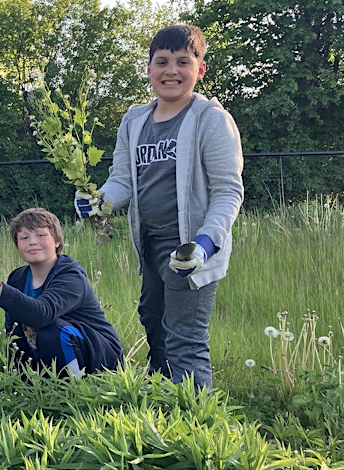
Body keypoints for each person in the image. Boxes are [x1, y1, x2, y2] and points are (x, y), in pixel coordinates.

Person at [74, 24, 244, 390]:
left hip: (189, 249)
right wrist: (99, 202)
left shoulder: (211, 120)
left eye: (183, 61)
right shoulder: (135, 120)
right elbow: (122, 180)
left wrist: (205, 244)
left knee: (185, 339)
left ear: (199, 70)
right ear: (149, 69)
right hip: (150, 248)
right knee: (154, 325)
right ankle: (161, 408)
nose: (171, 70)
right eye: (162, 61)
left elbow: (228, 192)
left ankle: (199, 427)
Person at [0, 208, 123, 377]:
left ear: (57, 241)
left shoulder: (71, 276)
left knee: (50, 330)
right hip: (53, 356)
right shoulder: (18, 278)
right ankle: (42, 386)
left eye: (40, 235)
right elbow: (14, 332)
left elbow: (42, 314)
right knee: (23, 332)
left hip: (100, 358)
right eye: (24, 237)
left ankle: (76, 391)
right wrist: (18, 381)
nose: (32, 242)